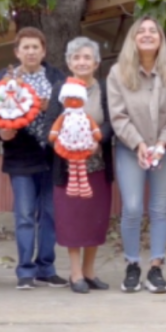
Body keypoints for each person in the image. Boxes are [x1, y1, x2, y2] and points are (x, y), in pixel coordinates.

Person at [106, 17, 166, 294]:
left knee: (159, 208)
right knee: (131, 207)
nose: (147, 34)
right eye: (141, 31)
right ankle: (132, 265)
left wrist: (163, 142)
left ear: (161, 39)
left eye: (153, 30)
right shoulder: (117, 73)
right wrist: (139, 144)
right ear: (133, 38)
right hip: (131, 149)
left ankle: (156, 268)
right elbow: (117, 115)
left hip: (165, 148)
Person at [0, 27, 68, 290]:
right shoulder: (5, 79)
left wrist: (52, 108)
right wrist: (0, 132)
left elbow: (70, 110)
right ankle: (25, 270)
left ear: (44, 51)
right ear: (17, 52)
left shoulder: (56, 77)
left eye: (36, 47)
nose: (31, 51)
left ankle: (46, 268)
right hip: (21, 157)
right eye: (25, 47)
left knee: (50, 214)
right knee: (24, 214)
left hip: (51, 156)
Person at [43, 37, 115, 294]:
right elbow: (48, 126)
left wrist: (98, 141)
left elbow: (111, 122)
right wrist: (65, 147)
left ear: (96, 62)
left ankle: (89, 271)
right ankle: (75, 274)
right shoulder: (59, 89)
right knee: (72, 220)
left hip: (97, 165)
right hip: (68, 169)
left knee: (94, 220)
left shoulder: (105, 89)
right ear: (69, 63)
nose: (82, 62)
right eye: (76, 58)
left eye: (87, 57)